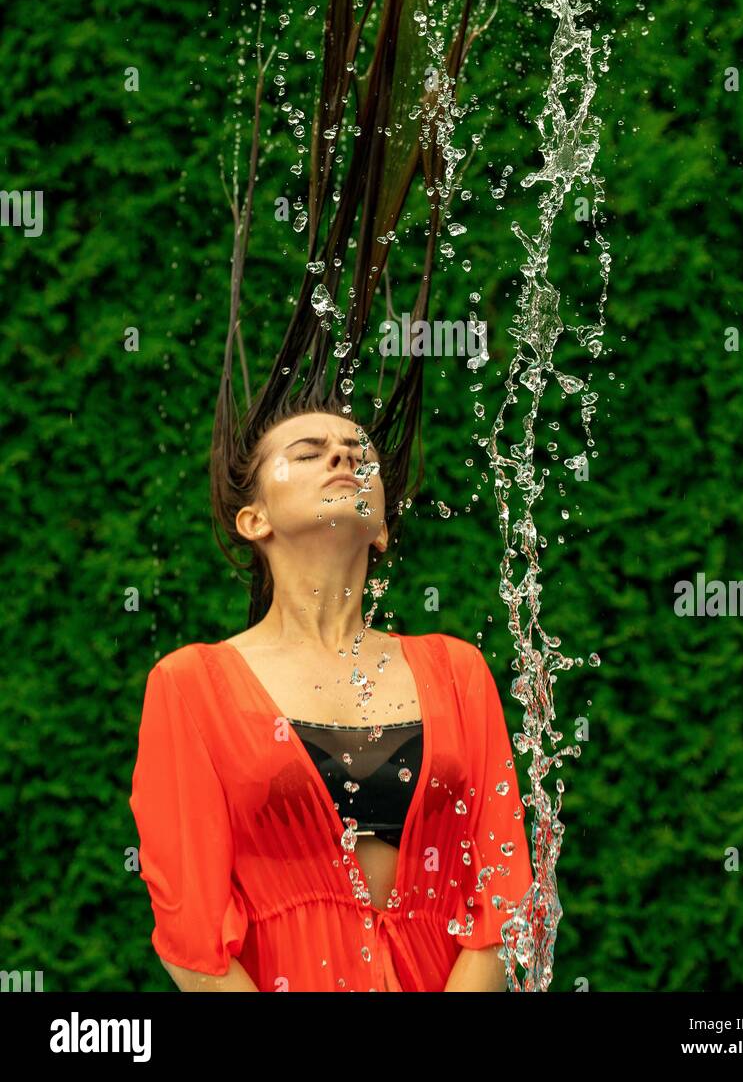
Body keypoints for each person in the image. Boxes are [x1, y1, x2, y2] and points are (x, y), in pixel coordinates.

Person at [129, 407, 535, 991]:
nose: (343, 457)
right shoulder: (192, 685)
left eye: (357, 451)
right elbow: (193, 939)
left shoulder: (456, 670)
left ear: (382, 528)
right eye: (308, 452)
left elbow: (503, 893)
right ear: (254, 519)